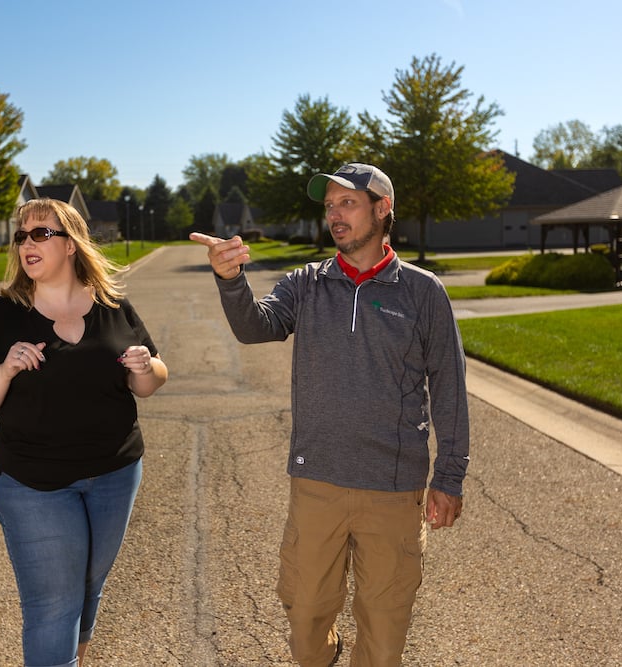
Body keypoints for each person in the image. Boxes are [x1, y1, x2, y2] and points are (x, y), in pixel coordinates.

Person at [190, 163, 469, 666]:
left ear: (383, 210)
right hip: (317, 481)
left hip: (393, 485)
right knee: (305, 624)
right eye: (329, 206)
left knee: (384, 637)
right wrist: (230, 278)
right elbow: (257, 327)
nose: (335, 216)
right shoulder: (306, 284)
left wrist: (449, 475)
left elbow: (449, 385)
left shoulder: (423, 292)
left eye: (348, 204)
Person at [0, 198, 168, 667]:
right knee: (53, 606)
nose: (27, 242)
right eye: (21, 235)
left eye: (40, 233)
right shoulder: (3, 315)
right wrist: (6, 369)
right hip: (32, 483)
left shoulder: (114, 306)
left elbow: (149, 382)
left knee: (89, 587)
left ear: (70, 245)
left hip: (115, 474)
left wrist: (146, 366)